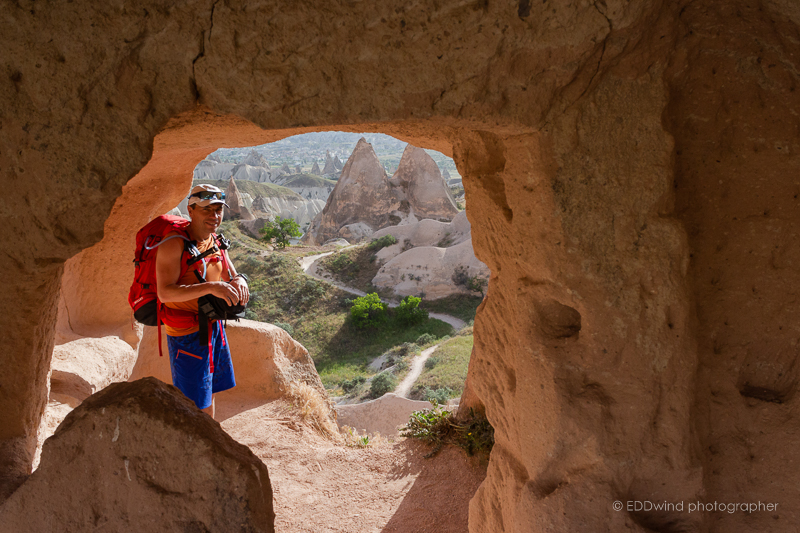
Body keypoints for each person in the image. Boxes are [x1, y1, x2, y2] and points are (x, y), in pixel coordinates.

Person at [155, 184, 250, 419]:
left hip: (213, 326)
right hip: (187, 334)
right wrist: (211, 287)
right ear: (191, 210)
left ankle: (211, 441)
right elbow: (164, 293)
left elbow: (229, 273)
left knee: (211, 393)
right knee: (193, 403)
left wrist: (240, 279)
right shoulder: (173, 244)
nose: (214, 216)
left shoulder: (214, 239)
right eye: (207, 210)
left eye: (218, 210)